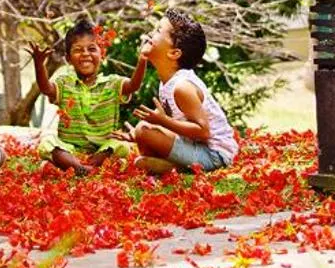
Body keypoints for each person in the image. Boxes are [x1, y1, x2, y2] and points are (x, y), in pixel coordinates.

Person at [128, 11, 238, 175]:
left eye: (158, 31)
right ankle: (164, 166)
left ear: (174, 53)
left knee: (144, 130)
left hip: (215, 155)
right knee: (143, 131)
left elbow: (203, 131)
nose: (150, 34)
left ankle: (176, 169)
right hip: (197, 146)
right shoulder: (166, 82)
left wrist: (163, 121)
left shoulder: (182, 87)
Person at [32, 18, 146, 173]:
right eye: (78, 50)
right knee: (47, 143)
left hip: (103, 148)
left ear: (102, 54)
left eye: (92, 49)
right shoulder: (64, 83)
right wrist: (39, 65)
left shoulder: (112, 83)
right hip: (69, 148)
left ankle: (77, 166)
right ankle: (81, 167)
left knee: (121, 145)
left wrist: (142, 60)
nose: (85, 54)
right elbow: (46, 88)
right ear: (68, 58)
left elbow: (134, 85)